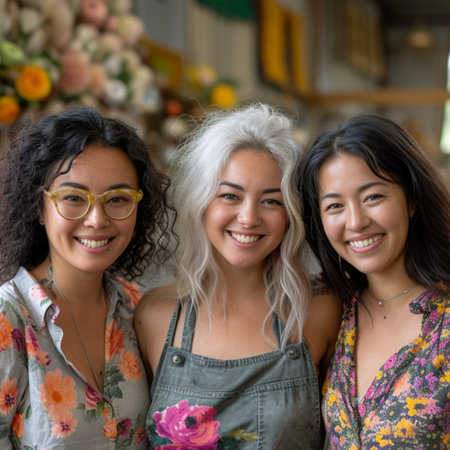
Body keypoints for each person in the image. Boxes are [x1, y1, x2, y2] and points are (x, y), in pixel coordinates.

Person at [134, 103, 341, 449]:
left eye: (271, 201)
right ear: (201, 202)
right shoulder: (153, 315)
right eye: (230, 196)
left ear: (292, 214)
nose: (248, 218)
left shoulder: (319, 310)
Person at [0, 107, 175, 448]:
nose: (97, 219)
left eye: (118, 199)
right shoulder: (9, 319)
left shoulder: (138, 307)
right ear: (39, 207)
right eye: (74, 198)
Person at [298, 113, 450, 449]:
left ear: (411, 199)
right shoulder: (336, 311)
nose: (356, 221)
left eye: (373, 197)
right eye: (335, 205)